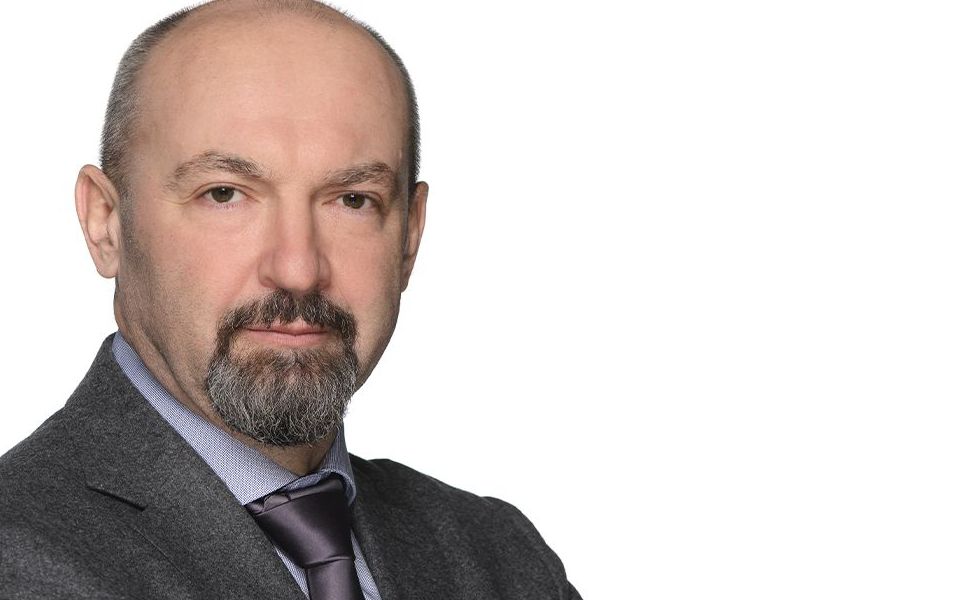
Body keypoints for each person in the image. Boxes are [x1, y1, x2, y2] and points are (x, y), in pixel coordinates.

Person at [0, 1, 580, 598]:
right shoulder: (18, 558)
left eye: (353, 200)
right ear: (106, 223)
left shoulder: (502, 559)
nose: (298, 269)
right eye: (224, 194)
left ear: (410, 236)